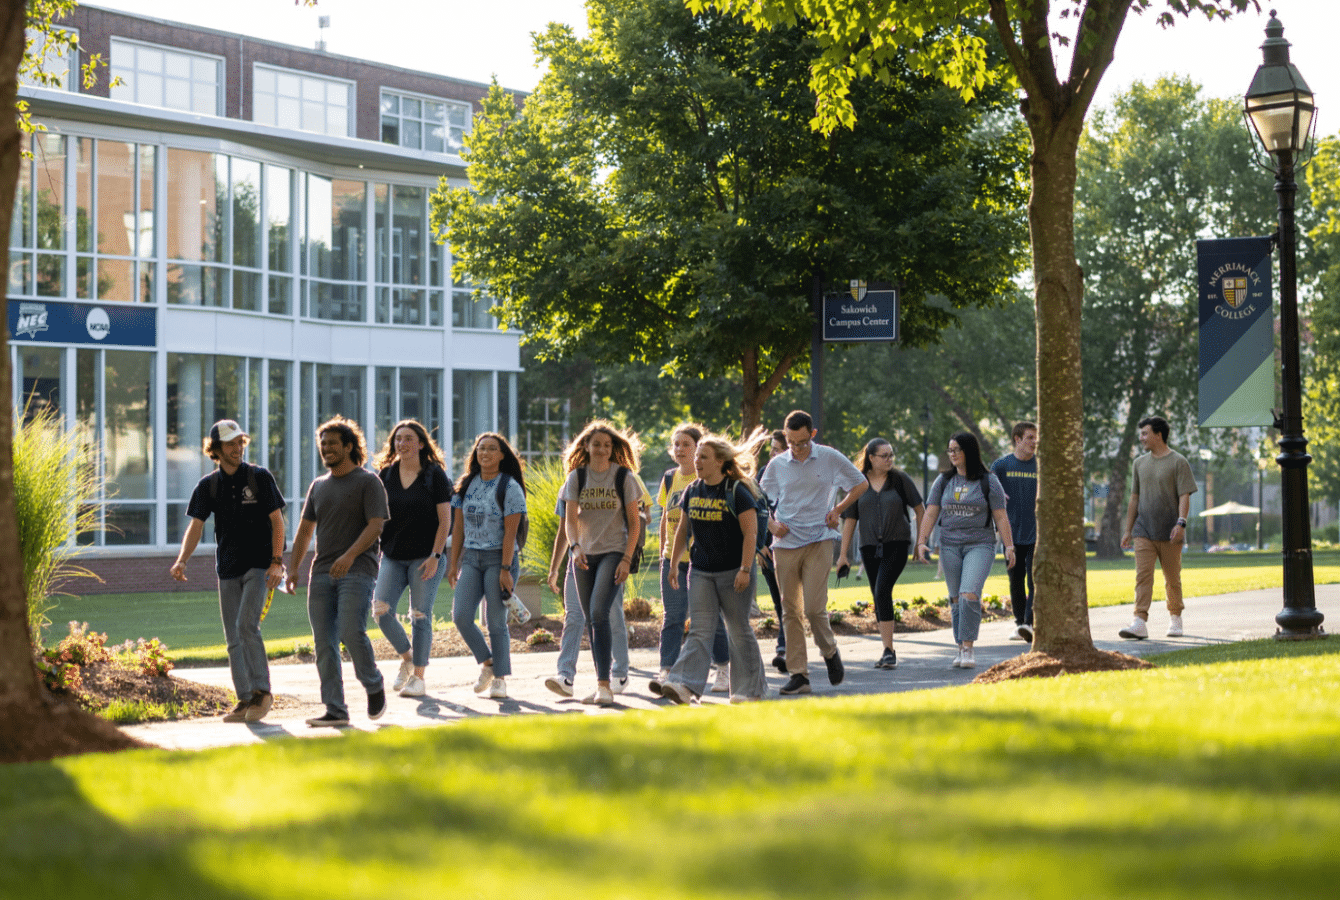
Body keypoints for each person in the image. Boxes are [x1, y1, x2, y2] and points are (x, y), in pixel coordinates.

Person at [170, 419, 286, 723]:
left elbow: (277, 521)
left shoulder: (259, 477)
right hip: (227, 568)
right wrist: (182, 559)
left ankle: (263, 691)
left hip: (259, 564)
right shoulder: (208, 486)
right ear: (217, 450)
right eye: (231, 444)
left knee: (247, 625)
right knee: (232, 636)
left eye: (240, 442)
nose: (238, 448)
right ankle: (245, 698)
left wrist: (277, 561)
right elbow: (195, 526)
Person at [287, 416, 390, 727]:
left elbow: (376, 524)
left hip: (358, 568)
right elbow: (305, 532)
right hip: (321, 572)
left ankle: (373, 683)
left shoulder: (368, 482)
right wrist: (293, 569)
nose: (326, 448)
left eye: (332, 443)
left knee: (349, 630)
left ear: (348, 446)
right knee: (324, 643)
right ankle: (335, 709)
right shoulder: (318, 486)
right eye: (323, 444)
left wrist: (349, 555)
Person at [760, 410, 867, 695]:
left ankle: (830, 652)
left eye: (802, 442)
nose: (797, 448)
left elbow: (861, 484)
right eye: (792, 443)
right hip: (785, 542)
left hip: (819, 539)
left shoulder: (830, 457)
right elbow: (759, 499)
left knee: (814, 608)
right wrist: (771, 524)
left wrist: (837, 510)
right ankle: (799, 675)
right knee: (790, 610)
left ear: (813, 434)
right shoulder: (777, 464)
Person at [661, 430, 770, 704]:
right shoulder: (692, 489)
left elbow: (751, 534)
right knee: (699, 629)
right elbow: (683, 530)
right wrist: (673, 564)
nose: (697, 461)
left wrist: (745, 569)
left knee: (738, 628)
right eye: (697, 456)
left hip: (734, 572)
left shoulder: (738, 491)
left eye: (703, 457)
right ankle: (684, 686)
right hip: (701, 572)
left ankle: (749, 690)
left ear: (720, 461)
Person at [559, 420, 645, 707]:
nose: (602, 449)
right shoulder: (577, 477)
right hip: (584, 554)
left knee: (598, 612)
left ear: (613, 448)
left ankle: (605, 685)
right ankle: (601, 685)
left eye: (607, 445)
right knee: (592, 620)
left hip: (613, 552)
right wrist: (574, 547)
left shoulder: (624, 478)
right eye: (596, 444)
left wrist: (626, 558)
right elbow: (570, 520)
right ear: (586, 446)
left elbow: (635, 524)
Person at [916, 432, 1015, 669]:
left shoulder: (989, 481)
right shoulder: (943, 481)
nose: (952, 455)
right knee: (955, 599)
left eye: (956, 450)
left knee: (968, 593)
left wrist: (1009, 546)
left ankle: (968, 648)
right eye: (949, 450)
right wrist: (921, 541)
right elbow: (931, 512)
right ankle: (960, 646)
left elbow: (1000, 516)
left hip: (980, 544)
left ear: (968, 451)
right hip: (949, 544)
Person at [371, 420, 452, 699]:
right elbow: (377, 518)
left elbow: (445, 521)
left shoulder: (434, 476)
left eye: (408, 438)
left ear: (420, 444)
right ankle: (408, 657)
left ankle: (419, 677)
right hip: (393, 556)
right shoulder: (385, 475)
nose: (401, 444)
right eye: (397, 439)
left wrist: (435, 556)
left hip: (425, 557)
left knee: (420, 615)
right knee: (381, 611)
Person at [651, 423, 731, 696]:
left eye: (687, 444)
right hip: (672, 559)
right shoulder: (669, 478)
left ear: (699, 449)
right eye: (676, 444)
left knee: (708, 618)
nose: (681, 449)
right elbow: (665, 517)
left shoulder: (703, 481)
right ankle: (666, 671)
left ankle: (723, 667)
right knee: (672, 617)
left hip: (701, 560)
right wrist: (665, 552)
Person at [448, 432, 527, 700]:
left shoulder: (510, 487)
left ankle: (500, 680)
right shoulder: (466, 484)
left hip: (499, 559)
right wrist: (452, 564)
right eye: (481, 448)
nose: (485, 453)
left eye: (492, 449)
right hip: (471, 558)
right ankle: (489, 663)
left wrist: (506, 569)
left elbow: (510, 533)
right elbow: (457, 528)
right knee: (460, 616)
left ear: (502, 455)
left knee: (496, 622)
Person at [837, 438, 925, 670]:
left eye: (891, 455)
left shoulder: (899, 479)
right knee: (878, 596)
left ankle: (888, 650)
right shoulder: (859, 483)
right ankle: (888, 650)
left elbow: (919, 507)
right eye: (884, 456)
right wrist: (843, 555)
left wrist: (921, 541)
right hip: (868, 548)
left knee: (882, 589)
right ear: (871, 458)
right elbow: (850, 520)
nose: (889, 460)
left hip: (897, 545)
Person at [544, 495, 633, 698]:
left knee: (611, 614)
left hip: (609, 556)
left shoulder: (612, 478)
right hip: (578, 560)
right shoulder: (570, 485)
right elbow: (564, 529)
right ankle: (565, 676)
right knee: (574, 615)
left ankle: (619, 672)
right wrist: (554, 569)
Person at [1119, 415, 1196, 639]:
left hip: (1171, 531)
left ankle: (1175, 618)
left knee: (1172, 578)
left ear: (1158, 435)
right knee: (1143, 576)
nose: (1141, 438)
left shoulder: (1178, 461)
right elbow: (1134, 498)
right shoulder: (1139, 464)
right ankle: (1139, 621)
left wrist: (1181, 523)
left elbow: (1184, 496)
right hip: (1143, 530)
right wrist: (1128, 530)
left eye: (1145, 433)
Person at [991, 422, 1038, 643]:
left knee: (1035, 579)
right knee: (1015, 579)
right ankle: (1020, 624)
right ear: (1017, 439)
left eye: (1035, 437)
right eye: (1029, 437)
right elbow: (988, 494)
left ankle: (1028, 622)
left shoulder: (1042, 466)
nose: (1034, 442)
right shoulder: (1001, 466)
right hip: (1010, 534)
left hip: (1038, 533)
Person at [757, 430, 788, 673]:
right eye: (771, 449)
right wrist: (759, 546)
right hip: (768, 549)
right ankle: (786, 646)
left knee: (792, 600)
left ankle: (785, 647)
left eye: (777, 449)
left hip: (794, 547)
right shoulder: (763, 475)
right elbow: (755, 512)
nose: (772, 454)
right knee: (779, 601)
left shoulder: (799, 474)